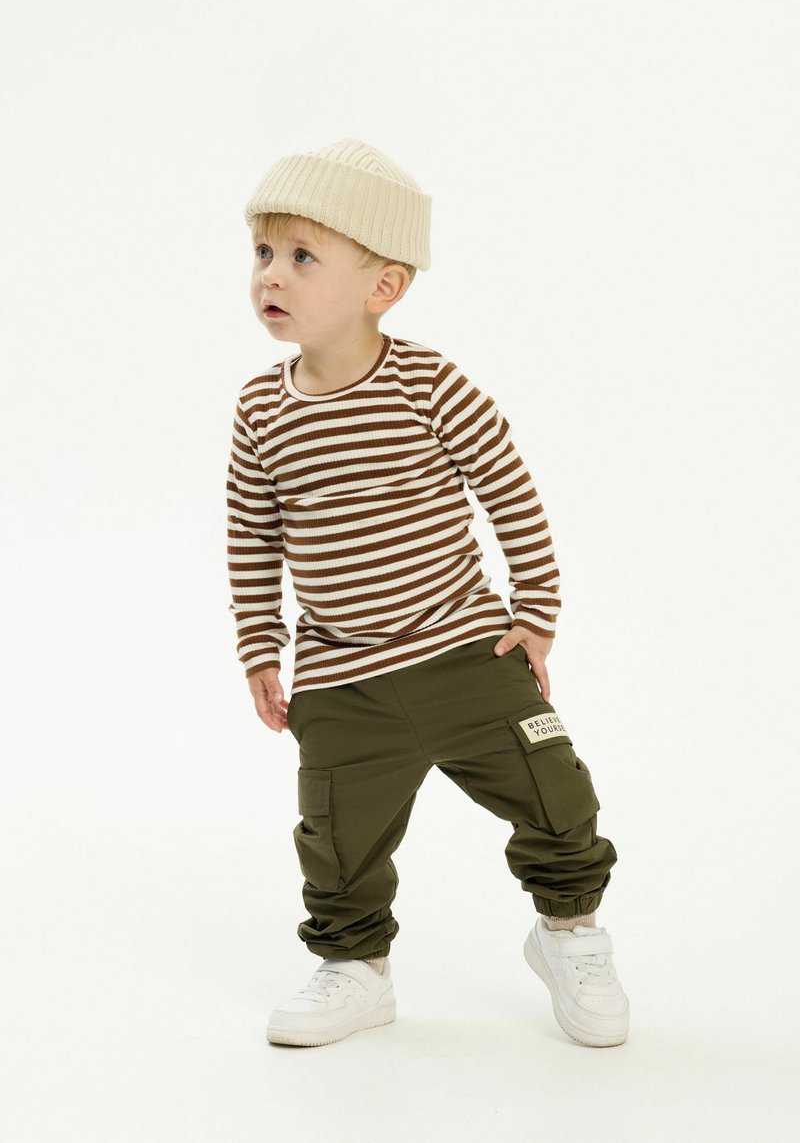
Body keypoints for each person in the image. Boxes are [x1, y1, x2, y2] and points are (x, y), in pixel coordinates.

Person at [226, 137, 629, 1049]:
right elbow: (252, 537)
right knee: (336, 841)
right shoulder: (260, 409)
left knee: (556, 793)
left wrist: (536, 614)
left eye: (302, 256)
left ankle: (569, 931)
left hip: (464, 652)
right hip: (341, 678)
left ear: (385, 285)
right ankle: (355, 968)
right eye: (262, 252)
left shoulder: (429, 384)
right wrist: (259, 648)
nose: (270, 275)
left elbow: (510, 492)